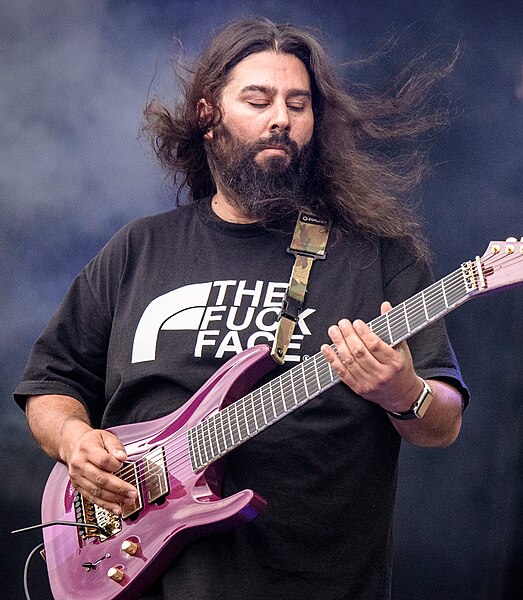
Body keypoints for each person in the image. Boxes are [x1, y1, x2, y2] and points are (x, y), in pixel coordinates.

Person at [15, 17, 468, 600]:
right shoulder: (140, 248)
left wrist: (404, 392)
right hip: (139, 567)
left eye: (298, 104)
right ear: (208, 116)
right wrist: (75, 440)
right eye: (259, 99)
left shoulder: (378, 257)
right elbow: (52, 382)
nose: (281, 117)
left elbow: (444, 422)